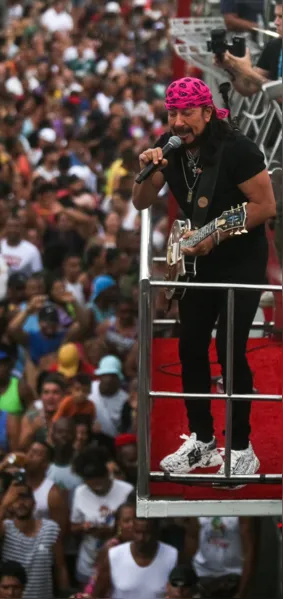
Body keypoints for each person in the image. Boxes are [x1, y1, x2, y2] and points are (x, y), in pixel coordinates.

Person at [133, 77, 276, 477]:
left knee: (231, 351)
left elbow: (265, 206)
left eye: (188, 113)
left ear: (208, 113)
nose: (179, 122)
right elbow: (141, 202)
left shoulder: (238, 150)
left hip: (240, 263)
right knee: (190, 348)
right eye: (173, 113)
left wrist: (217, 233)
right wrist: (145, 170)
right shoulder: (169, 146)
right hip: (196, 262)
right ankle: (202, 440)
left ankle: (242, 447)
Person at [0, 481, 70, 599]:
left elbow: (60, 567)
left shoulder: (50, 528)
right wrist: (4, 504)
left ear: (34, 503)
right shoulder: (5, 528)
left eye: (25, 498)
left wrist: (65, 594)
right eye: (15, 499)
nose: (20, 503)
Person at [71, 446, 133, 585]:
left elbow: (137, 528)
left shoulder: (127, 490)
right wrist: (84, 527)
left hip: (120, 562)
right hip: (88, 564)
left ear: (107, 474)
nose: (97, 487)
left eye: (100, 482)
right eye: (92, 485)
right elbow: (73, 527)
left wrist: (112, 531)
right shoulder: (80, 492)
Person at [93, 518, 178, 599]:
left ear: (157, 533)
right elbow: (98, 594)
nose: (141, 538)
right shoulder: (114, 556)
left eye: (147, 533)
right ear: (132, 531)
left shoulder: (172, 556)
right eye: (138, 532)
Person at [218, 0, 283, 96]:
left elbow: (280, 95)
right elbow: (248, 88)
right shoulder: (275, 46)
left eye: (281, 17)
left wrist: (247, 71)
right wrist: (231, 68)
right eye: (276, 16)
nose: (275, 22)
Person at [184, 517, 256, 599]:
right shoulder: (198, 506)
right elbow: (191, 537)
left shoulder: (241, 510)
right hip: (202, 574)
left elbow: (249, 551)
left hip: (233, 576)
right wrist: (189, 580)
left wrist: (242, 592)